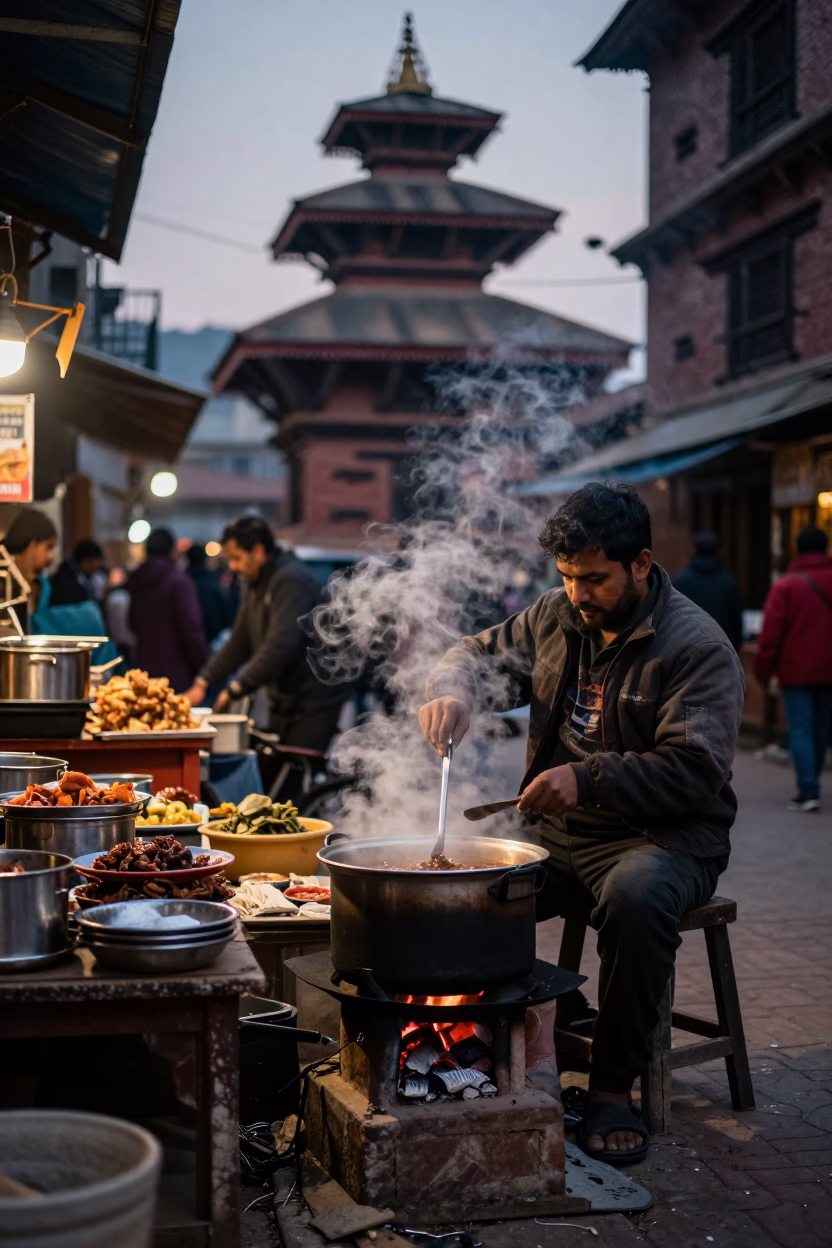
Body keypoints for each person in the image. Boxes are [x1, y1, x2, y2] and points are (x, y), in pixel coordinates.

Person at [420, 482, 744, 1166]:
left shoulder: (695, 646)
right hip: (560, 837)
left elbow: (695, 770)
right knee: (464, 886)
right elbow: (473, 651)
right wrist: (453, 688)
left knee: (636, 901)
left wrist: (588, 776)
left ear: (641, 564)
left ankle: (611, 1087)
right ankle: (520, 1037)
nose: (577, 594)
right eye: (566, 578)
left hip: (662, 838)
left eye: (593, 579)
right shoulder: (553, 617)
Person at [184, 515, 344, 752]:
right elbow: (240, 641)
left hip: (313, 701)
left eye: (237, 558)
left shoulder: (291, 580)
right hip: (284, 700)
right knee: (274, 773)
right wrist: (204, 681)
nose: (233, 567)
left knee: (293, 778)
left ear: (257, 551)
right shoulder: (256, 583)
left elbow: (281, 644)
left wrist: (236, 688)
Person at [755, 525, 832, 813]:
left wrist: (764, 669)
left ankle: (808, 788)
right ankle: (814, 781)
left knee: (800, 727)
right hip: (829, 670)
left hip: (796, 670)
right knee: (822, 727)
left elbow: (771, 634)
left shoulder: (787, 585)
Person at [127, 528, 206, 693]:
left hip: (144, 673)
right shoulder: (179, 582)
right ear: (172, 551)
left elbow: (132, 623)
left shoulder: (137, 581)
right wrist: (201, 668)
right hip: (178, 676)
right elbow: (191, 629)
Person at [673, 531, 744, 650]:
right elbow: (736, 624)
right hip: (722, 651)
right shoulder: (729, 583)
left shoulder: (680, 582)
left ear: (694, 550)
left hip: (686, 651)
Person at [1, 507, 58, 631]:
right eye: (48, 547)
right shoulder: (4, 577)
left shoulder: (42, 586)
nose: (51, 557)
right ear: (32, 546)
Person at [185, 543, 228, 644]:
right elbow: (223, 614)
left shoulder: (182, 582)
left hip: (187, 640)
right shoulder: (211, 582)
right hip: (211, 639)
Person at [50, 539, 105, 608]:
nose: (95, 566)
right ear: (85, 561)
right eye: (93, 562)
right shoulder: (68, 582)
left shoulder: (86, 578)